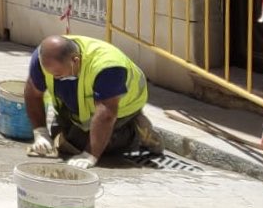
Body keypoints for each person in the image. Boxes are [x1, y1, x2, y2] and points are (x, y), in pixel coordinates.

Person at [24, 35, 163, 168]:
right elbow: (33, 93)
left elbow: (107, 114)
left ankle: (135, 131)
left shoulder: (108, 66)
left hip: (120, 107)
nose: (54, 77)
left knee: (89, 144)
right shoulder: (43, 57)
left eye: (58, 74)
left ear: (75, 60)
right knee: (60, 138)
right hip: (79, 106)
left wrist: (90, 154)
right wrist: (41, 133)